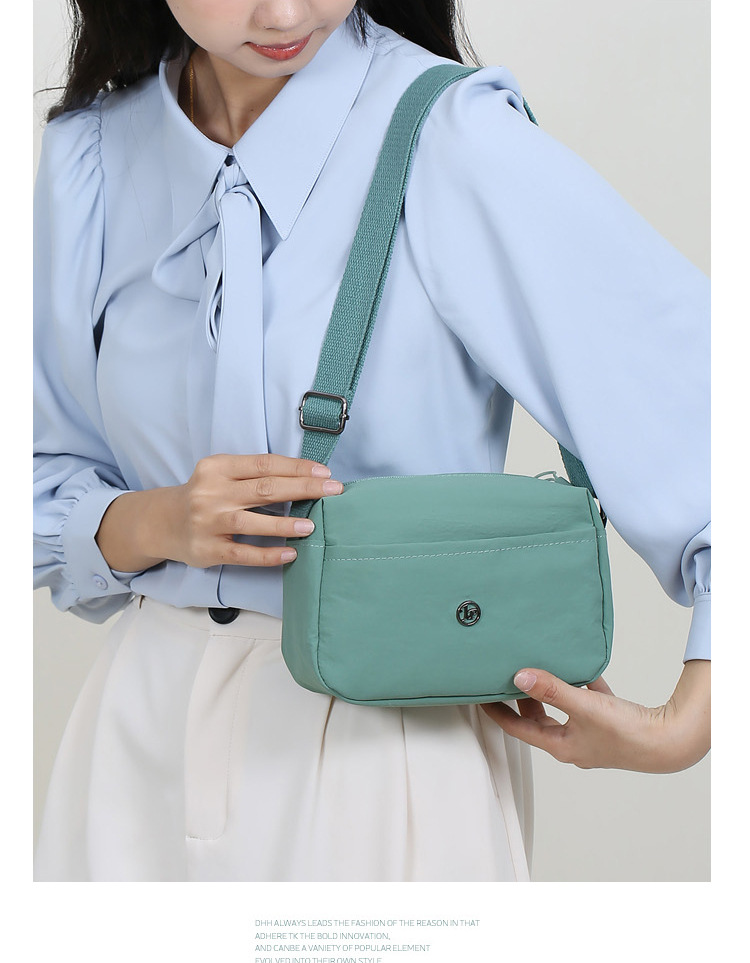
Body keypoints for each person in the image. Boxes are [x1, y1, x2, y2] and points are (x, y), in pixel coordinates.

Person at [34, 0, 710, 882]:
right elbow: (44, 473)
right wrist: (154, 522)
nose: (286, 10)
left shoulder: (449, 137)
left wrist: (691, 721)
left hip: (386, 748)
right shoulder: (90, 156)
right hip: (134, 750)